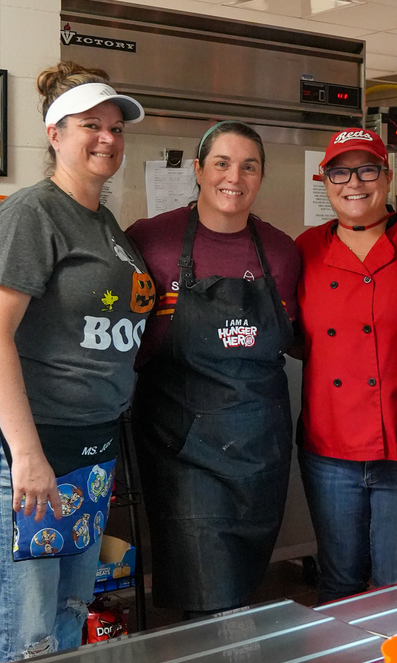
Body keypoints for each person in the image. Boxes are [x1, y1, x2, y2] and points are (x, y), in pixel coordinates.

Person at [0, 62, 153, 663]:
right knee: (29, 625)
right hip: (26, 442)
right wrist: (28, 455)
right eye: (90, 125)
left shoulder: (104, 223)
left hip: (88, 444)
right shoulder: (32, 213)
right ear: (54, 134)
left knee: (70, 611)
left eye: (117, 127)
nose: (108, 139)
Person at [127, 121, 300, 616]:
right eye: (222, 163)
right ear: (199, 170)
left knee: (245, 586)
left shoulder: (283, 252)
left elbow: (295, 333)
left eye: (249, 166)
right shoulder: (150, 240)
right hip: (182, 445)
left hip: (259, 444)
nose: (234, 177)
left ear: (261, 177)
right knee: (204, 592)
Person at [296, 128, 397, 603]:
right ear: (323, 180)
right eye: (339, 171)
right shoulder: (304, 249)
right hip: (329, 448)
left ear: (388, 178)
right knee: (339, 581)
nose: (354, 182)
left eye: (367, 169)